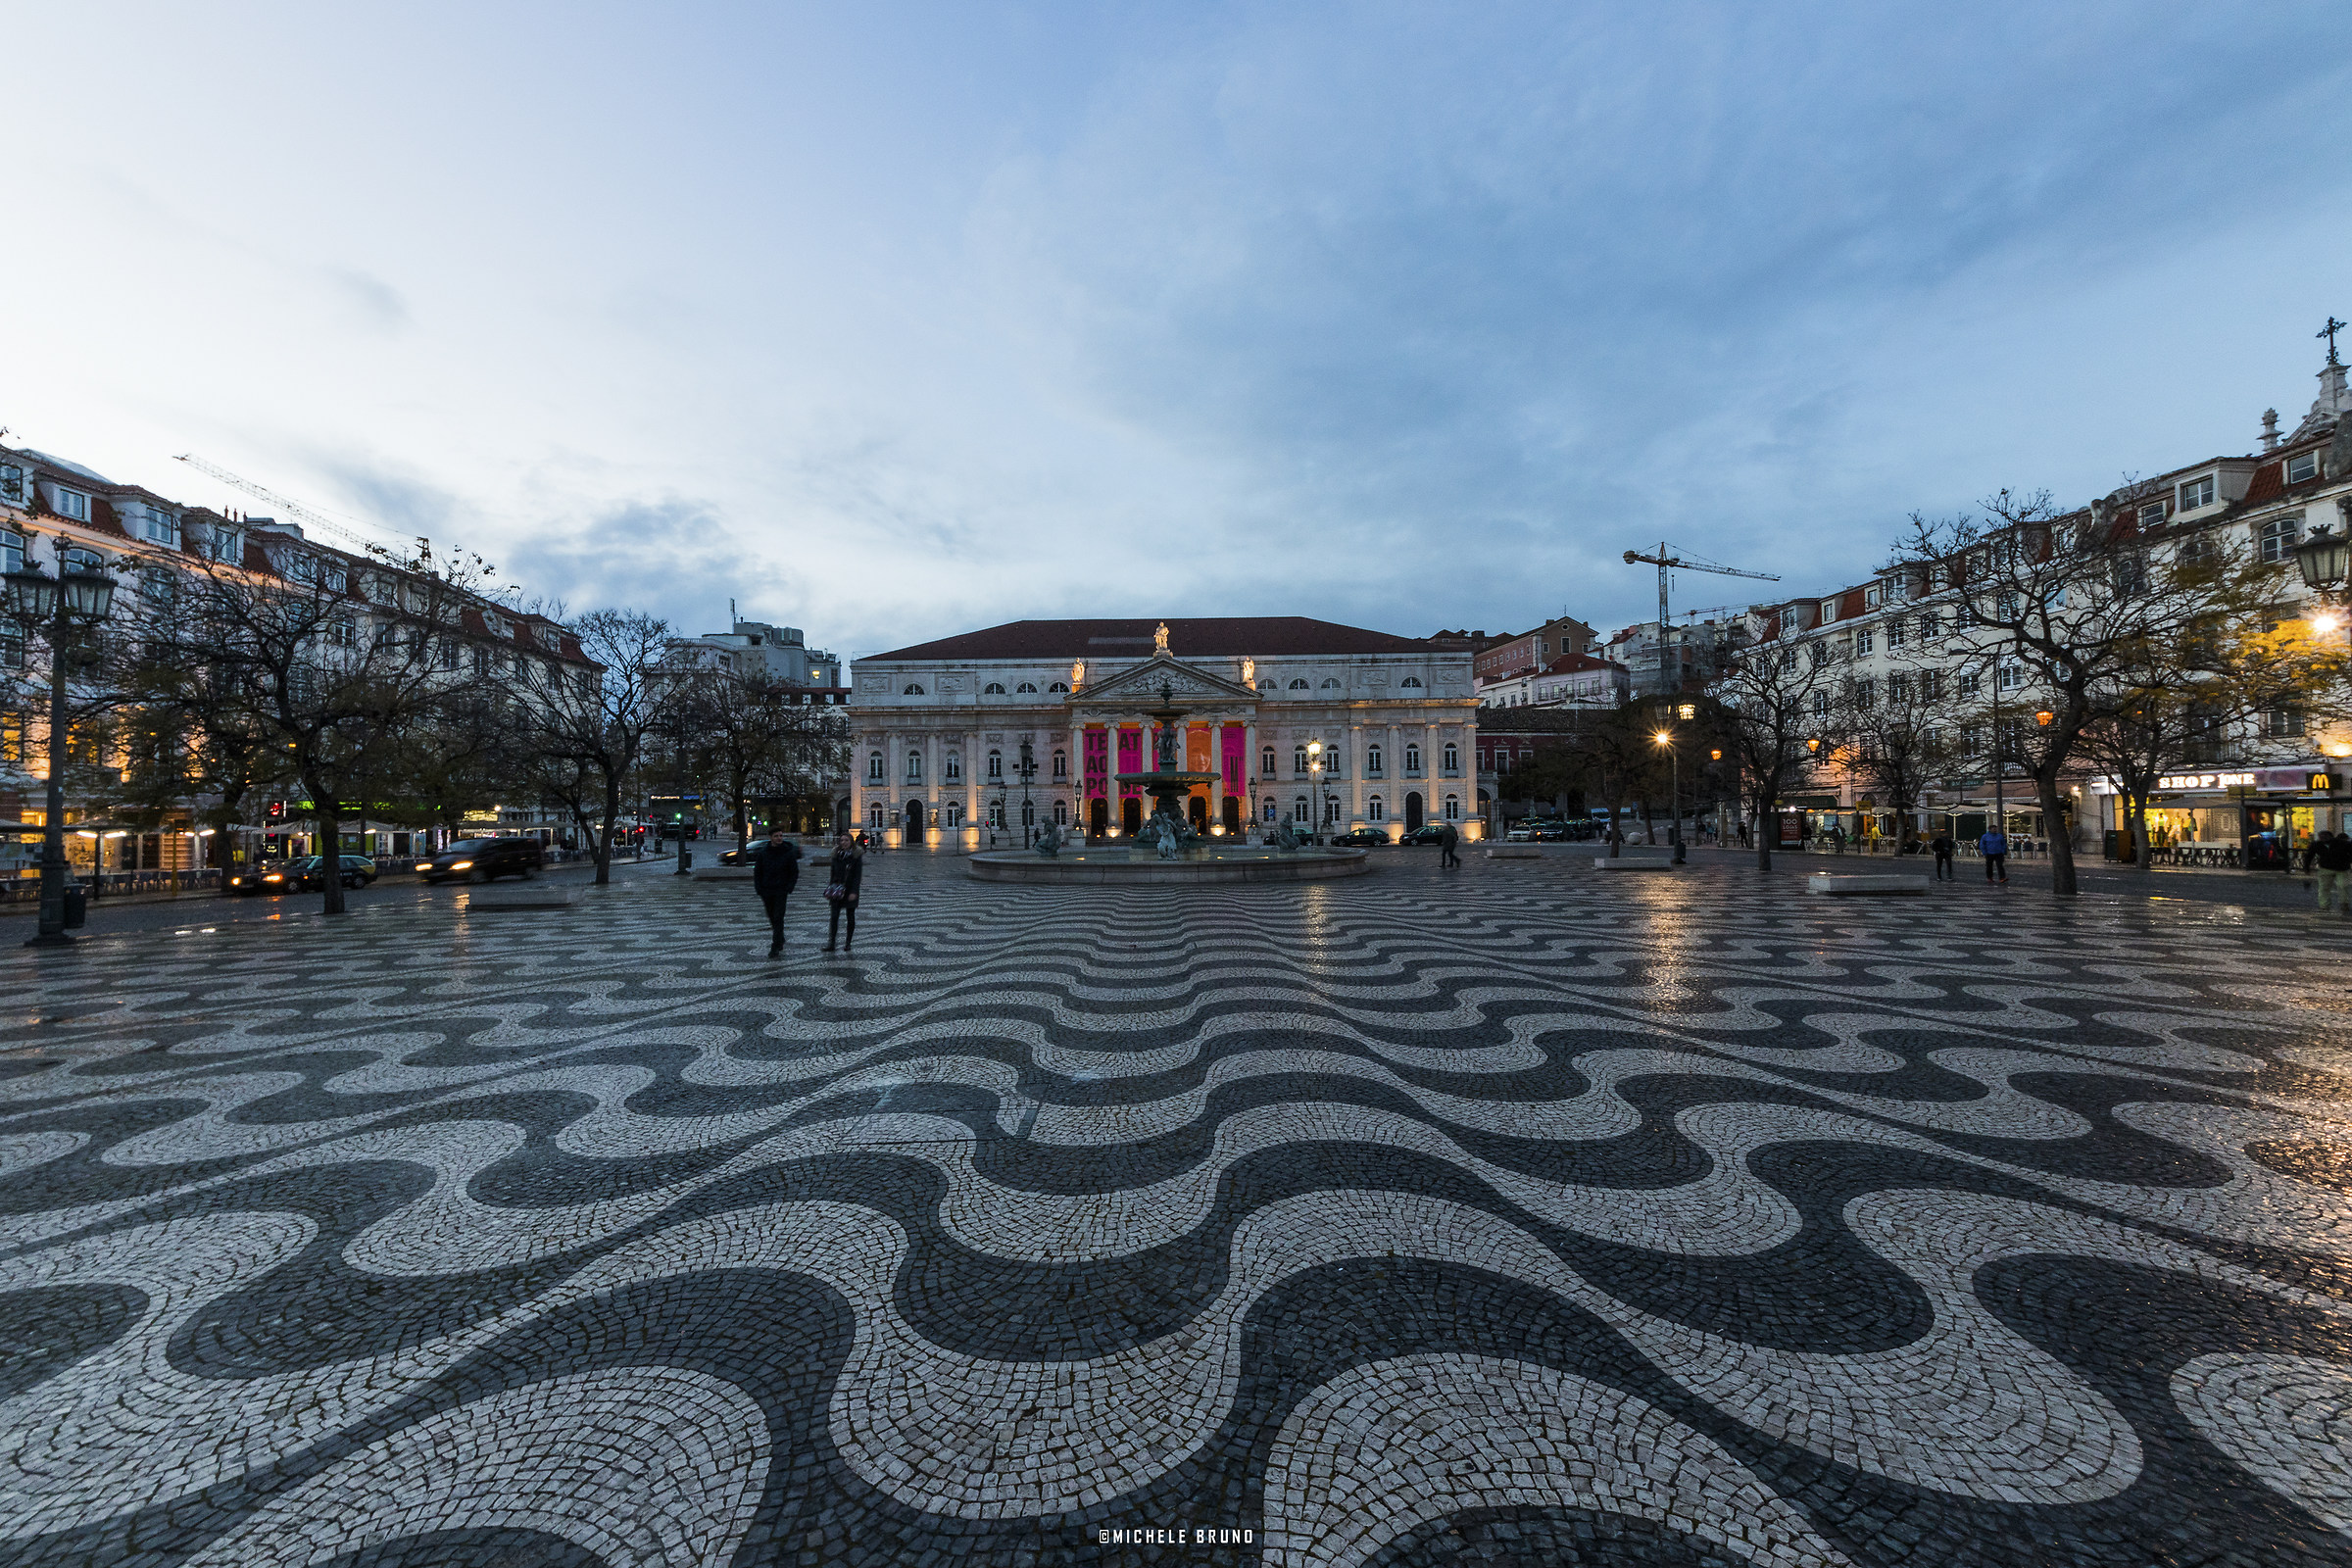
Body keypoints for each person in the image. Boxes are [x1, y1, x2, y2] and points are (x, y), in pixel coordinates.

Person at [749, 827, 802, 957]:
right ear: (771, 837)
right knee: (772, 916)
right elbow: (758, 872)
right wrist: (759, 888)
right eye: (776, 836)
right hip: (766, 889)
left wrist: (789, 887)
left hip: (781, 890)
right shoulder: (764, 853)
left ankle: (775, 945)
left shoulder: (787, 853)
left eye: (781, 836)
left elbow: (794, 871)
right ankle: (780, 937)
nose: (779, 838)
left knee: (778, 917)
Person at [824, 830, 864, 953]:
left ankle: (848, 942)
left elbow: (857, 876)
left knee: (850, 917)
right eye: (842, 840)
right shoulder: (836, 855)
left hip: (850, 890)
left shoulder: (856, 856)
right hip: (836, 890)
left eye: (846, 840)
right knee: (834, 917)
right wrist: (830, 888)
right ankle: (832, 943)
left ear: (851, 842)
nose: (844, 842)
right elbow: (832, 873)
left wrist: (854, 892)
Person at [2314, 830, 2352, 916]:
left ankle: (2344, 903)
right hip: (2326, 868)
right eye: (2321, 837)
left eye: (2323, 837)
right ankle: (2324, 905)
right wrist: (2307, 867)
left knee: (2342, 885)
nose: (2322, 839)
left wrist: (2347, 861)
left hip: (2341, 868)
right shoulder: (2317, 844)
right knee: (2324, 887)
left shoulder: (2343, 844)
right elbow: (2310, 854)